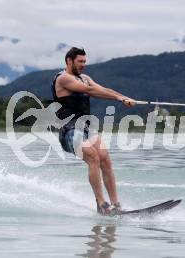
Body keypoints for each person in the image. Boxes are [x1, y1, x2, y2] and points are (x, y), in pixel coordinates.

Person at [51, 47, 135, 216]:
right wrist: (119, 98)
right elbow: (90, 91)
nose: (83, 65)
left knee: (105, 160)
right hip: (69, 130)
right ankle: (102, 205)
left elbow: (102, 89)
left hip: (87, 128)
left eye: (84, 61)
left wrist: (123, 97)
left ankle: (115, 205)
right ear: (69, 61)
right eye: (80, 61)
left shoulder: (85, 78)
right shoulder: (63, 79)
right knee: (93, 157)